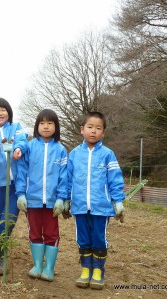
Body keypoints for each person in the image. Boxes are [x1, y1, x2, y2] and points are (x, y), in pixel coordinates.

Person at [67, 111, 125, 290]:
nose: (93, 131)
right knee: (83, 239)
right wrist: (65, 200)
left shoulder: (108, 154)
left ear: (103, 132)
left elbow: (115, 179)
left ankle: (98, 271)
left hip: (101, 207)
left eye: (98, 128)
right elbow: (67, 179)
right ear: (82, 130)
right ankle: (85, 269)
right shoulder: (74, 154)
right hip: (79, 207)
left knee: (99, 239)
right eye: (90, 127)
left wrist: (118, 202)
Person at [15, 109, 69, 282]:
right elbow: (21, 172)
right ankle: (38, 265)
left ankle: (49, 268)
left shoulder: (61, 150)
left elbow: (64, 176)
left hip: (53, 202)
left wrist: (61, 198)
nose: (46, 127)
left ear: (56, 126)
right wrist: (21, 194)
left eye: (50, 123)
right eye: (42, 123)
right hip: (33, 200)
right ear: (37, 126)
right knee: (35, 232)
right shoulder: (29, 147)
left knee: (52, 233)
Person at [0, 97, 28, 278]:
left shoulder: (16, 127)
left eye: (2, 109)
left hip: (16, 182)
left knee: (9, 218)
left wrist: (18, 149)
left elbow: (22, 141)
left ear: (8, 112)